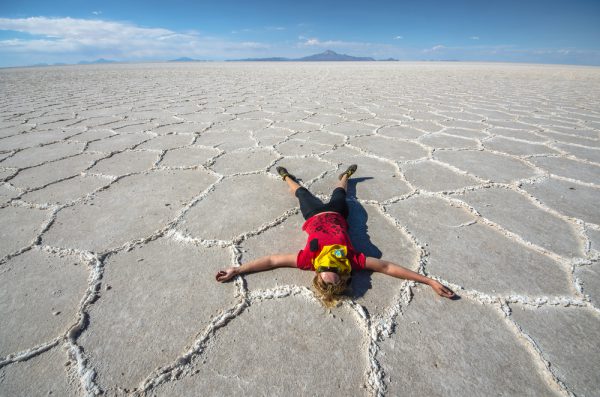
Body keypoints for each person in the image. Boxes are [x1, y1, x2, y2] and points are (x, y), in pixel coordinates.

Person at [216, 165, 455, 306]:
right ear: (345, 276)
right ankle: (345, 178)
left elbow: (271, 261)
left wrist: (237, 270)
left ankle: (287, 176)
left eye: (326, 270)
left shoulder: (308, 261)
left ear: (317, 274)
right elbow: (388, 268)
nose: (332, 264)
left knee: (301, 192)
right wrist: (428, 281)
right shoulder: (352, 261)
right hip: (339, 214)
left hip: (312, 216)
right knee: (340, 192)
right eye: (337, 271)